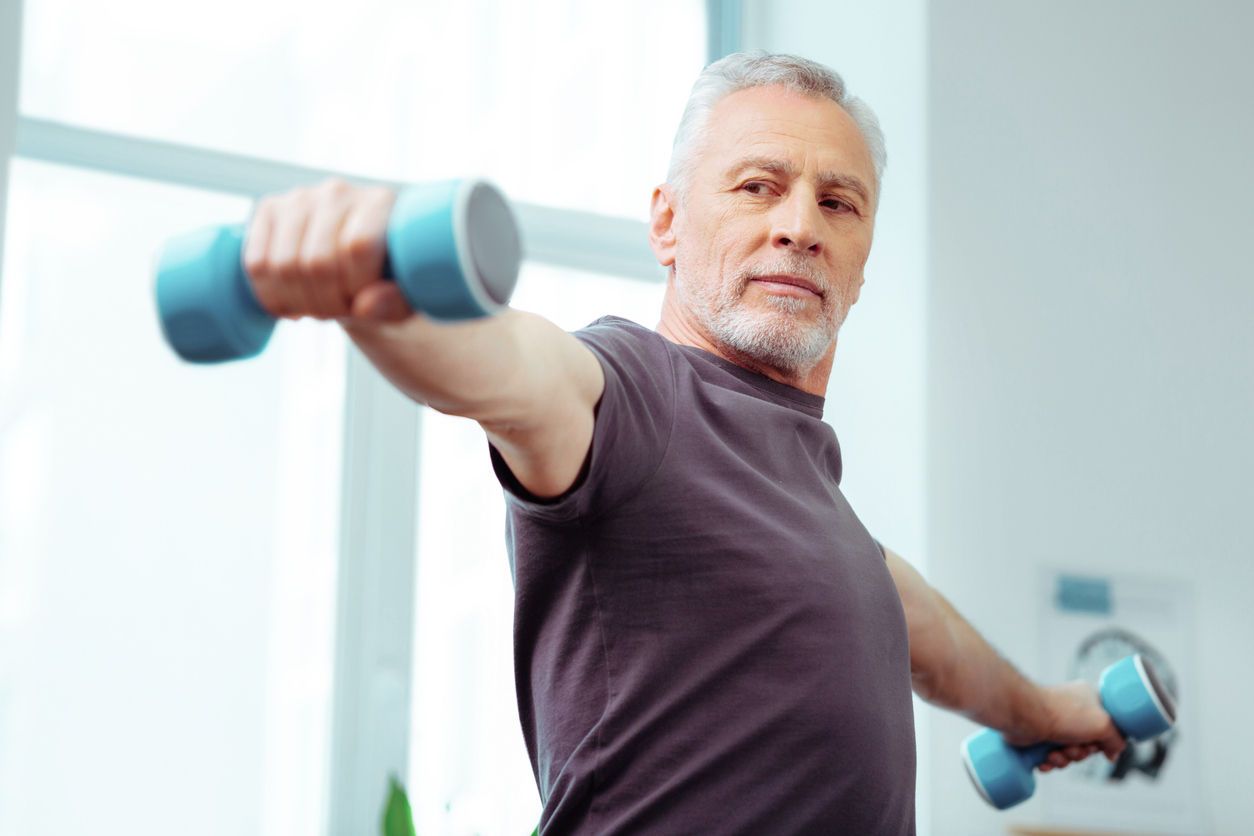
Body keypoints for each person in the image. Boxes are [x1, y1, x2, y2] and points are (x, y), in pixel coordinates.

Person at [241, 50, 1126, 836]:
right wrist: (370, 290)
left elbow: (915, 623)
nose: (800, 226)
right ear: (666, 223)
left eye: (838, 203)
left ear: (862, 264)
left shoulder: (819, 506)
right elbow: (512, 367)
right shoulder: (633, 393)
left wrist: (1042, 709)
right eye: (757, 186)